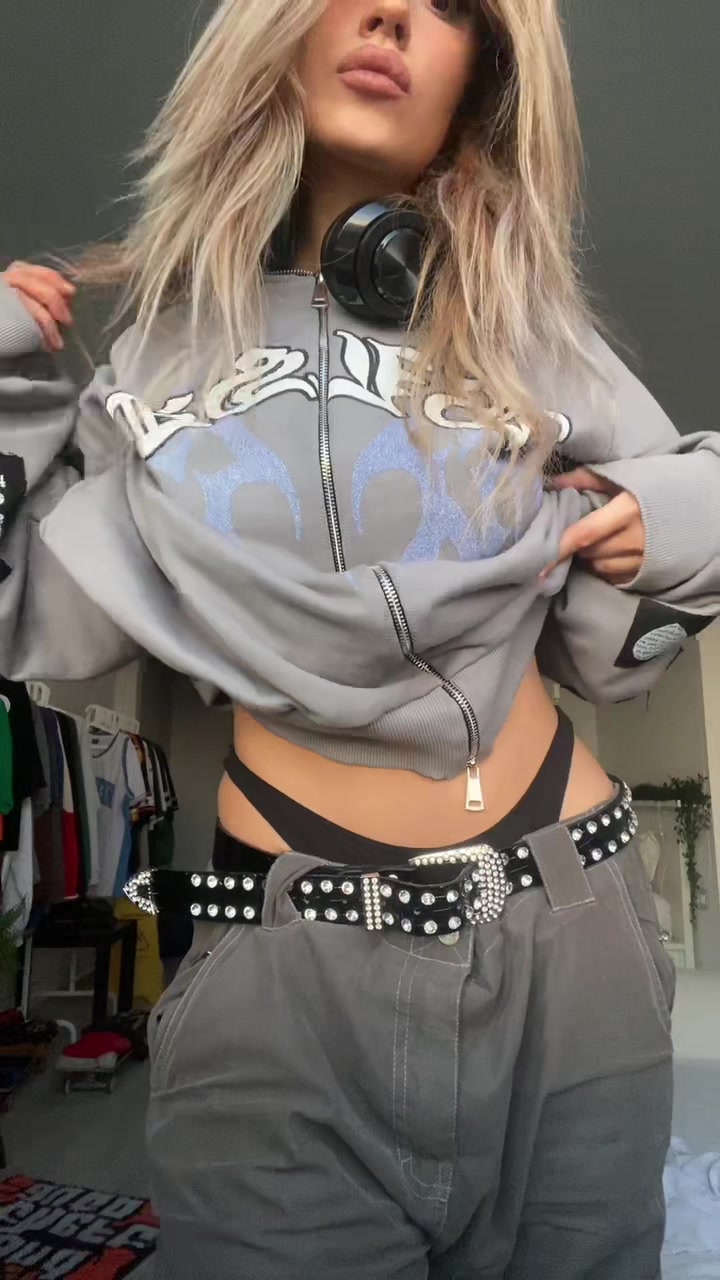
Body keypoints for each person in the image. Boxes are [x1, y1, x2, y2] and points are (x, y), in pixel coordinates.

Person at [1, 0, 719, 1275]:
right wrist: (8, 389)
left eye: (453, 8)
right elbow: (39, 611)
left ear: (480, 84)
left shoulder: (531, 331)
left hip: (576, 946)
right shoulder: (157, 360)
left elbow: (625, 639)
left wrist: (670, 516)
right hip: (286, 977)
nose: (394, 14)